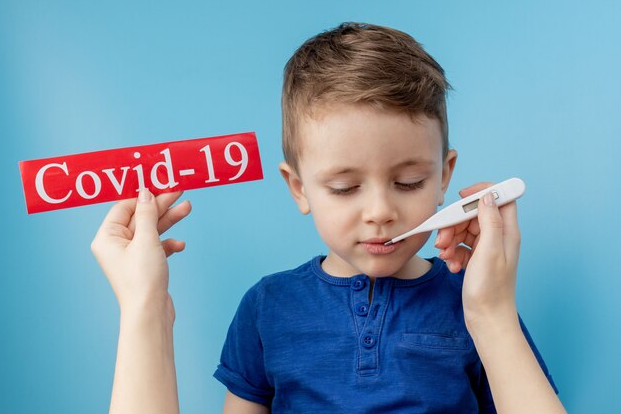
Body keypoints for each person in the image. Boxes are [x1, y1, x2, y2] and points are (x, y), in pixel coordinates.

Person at [91, 22, 567, 414]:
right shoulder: (266, 307)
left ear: (444, 177)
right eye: (344, 188)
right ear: (299, 188)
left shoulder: (477, 304)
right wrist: (144, 304)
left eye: (408, 183)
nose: (380, 212)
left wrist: (492, 311)